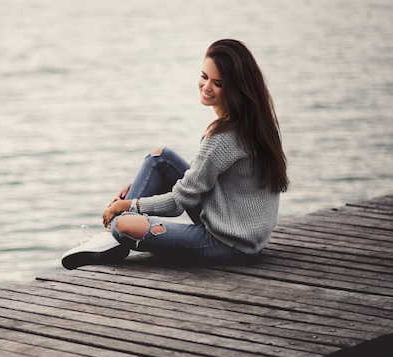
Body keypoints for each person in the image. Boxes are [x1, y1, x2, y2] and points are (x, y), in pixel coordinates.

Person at [61, 39, 289, 270]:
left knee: (124, 225)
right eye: (204, 76)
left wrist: (127, 205)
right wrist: (140, 187)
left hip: (228, 243)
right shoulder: (256, 125)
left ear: (237, 88)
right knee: (159, 158)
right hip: (240, 230)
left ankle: (111, 234)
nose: (206, 86)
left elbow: (180, 202)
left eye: (217, 83)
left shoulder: (223, 138)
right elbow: (200, 176)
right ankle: (110, 237)